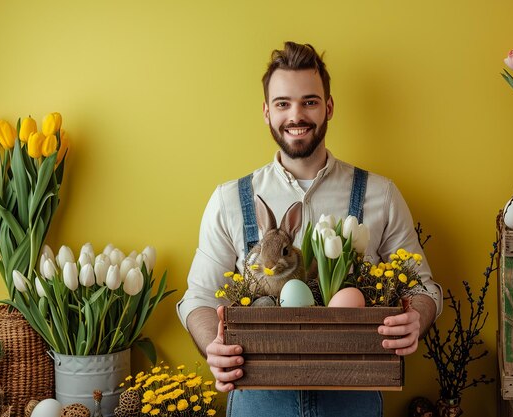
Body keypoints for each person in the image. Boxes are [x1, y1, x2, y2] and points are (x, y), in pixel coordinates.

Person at [177, 41, 442, 417]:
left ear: (328, 107)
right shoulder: (230, 200)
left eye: (310, 102)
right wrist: (212, 347)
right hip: (258, 398)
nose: (296, 115)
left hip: (354, 397)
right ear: (267, 112)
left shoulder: (380, 194)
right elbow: (198, 298)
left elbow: (424, 287)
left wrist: (416, 316)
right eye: (283, 103)